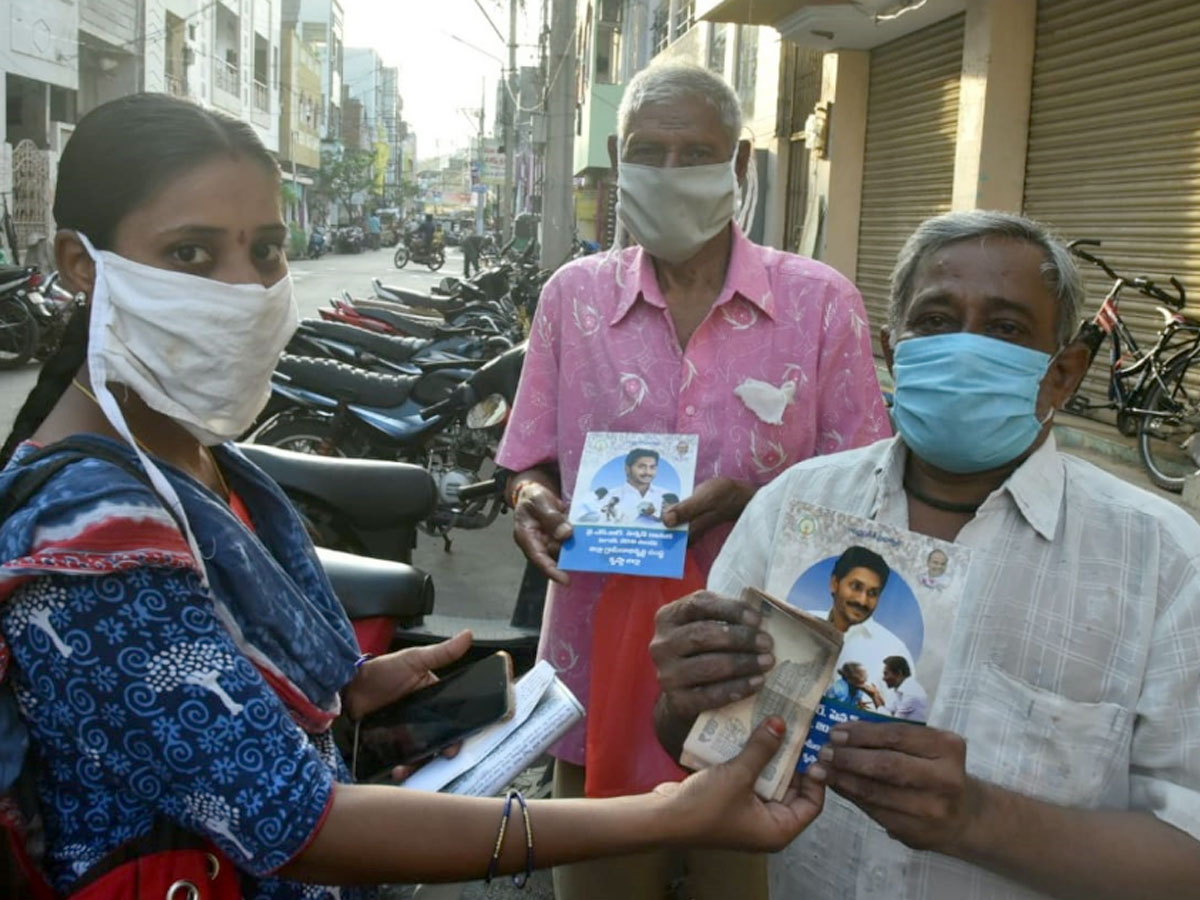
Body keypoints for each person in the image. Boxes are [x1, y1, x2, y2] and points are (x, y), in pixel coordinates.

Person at [0, 94, 830, 900]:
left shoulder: (200, 461)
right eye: (190, 253)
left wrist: (345, 694)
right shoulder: (87, 538)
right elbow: (302, 824)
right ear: (81, 264)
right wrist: (659, 818)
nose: (244, 289)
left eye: (265, 250)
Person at [650, 210, 1200, 899]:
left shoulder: (1164, 562)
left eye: (1005, 329)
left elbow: (1188, 852)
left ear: (1063, 375)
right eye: (936, 320)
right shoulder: (795, 505)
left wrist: (977, 816)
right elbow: (694, 743)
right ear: (893, 349)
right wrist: (683, 694)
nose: (965, 349)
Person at [496, 60, 890, 900]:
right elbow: (527, 459)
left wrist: (757, 504)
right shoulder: (572, 299)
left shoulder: (821, 304)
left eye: (696, 153)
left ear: (740, 165)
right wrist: (530, 500)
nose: (670, 174)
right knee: (603, 885)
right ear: (615, 157)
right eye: (648, 151)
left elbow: (874, 499)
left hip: (765, 682)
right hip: (596, 666)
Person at [814, 545, 913, 688]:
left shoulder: (894, 651)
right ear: (834, 584)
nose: (862, 600)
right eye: (856, 587)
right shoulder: (800, 623)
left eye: (872, 593)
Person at [604, 448, 668, 523]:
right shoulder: (610, 496)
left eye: (652, 467)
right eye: (641, 467)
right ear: (627, 469)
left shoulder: (666, 496)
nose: (648, 472)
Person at [869, 655, 928, 721]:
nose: (883, 678)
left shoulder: (911, 694)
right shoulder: (900, 690)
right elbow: (888, 711)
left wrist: (874, 696)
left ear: (899, 673)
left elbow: (892, 721)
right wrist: (876, 694)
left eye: (886, 674)